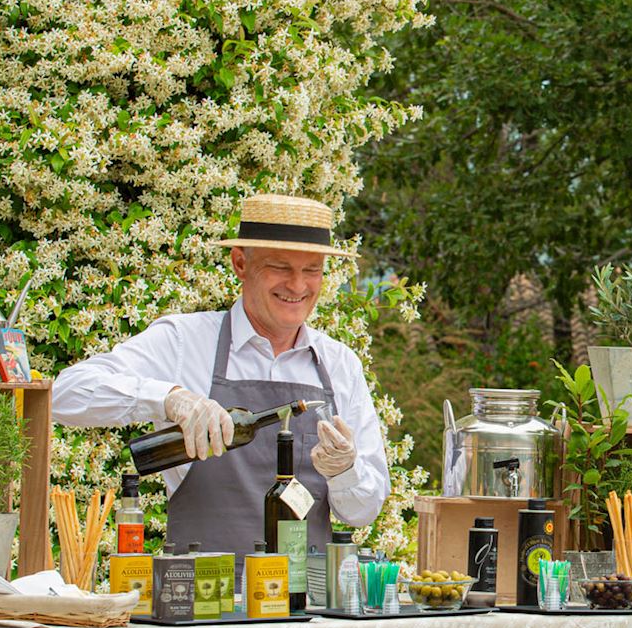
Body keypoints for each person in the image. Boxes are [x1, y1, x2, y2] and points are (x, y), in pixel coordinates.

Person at [52, 194, 389, 551]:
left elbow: (363, 512)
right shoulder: (185, 341)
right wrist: (169, 399)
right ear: (240, 263)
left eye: (312, 270)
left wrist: (343, 470)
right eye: (280, 267)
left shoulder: (340, 365)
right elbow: (65, 393)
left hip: (304, 602)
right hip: (201, 598)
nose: (297, 286)